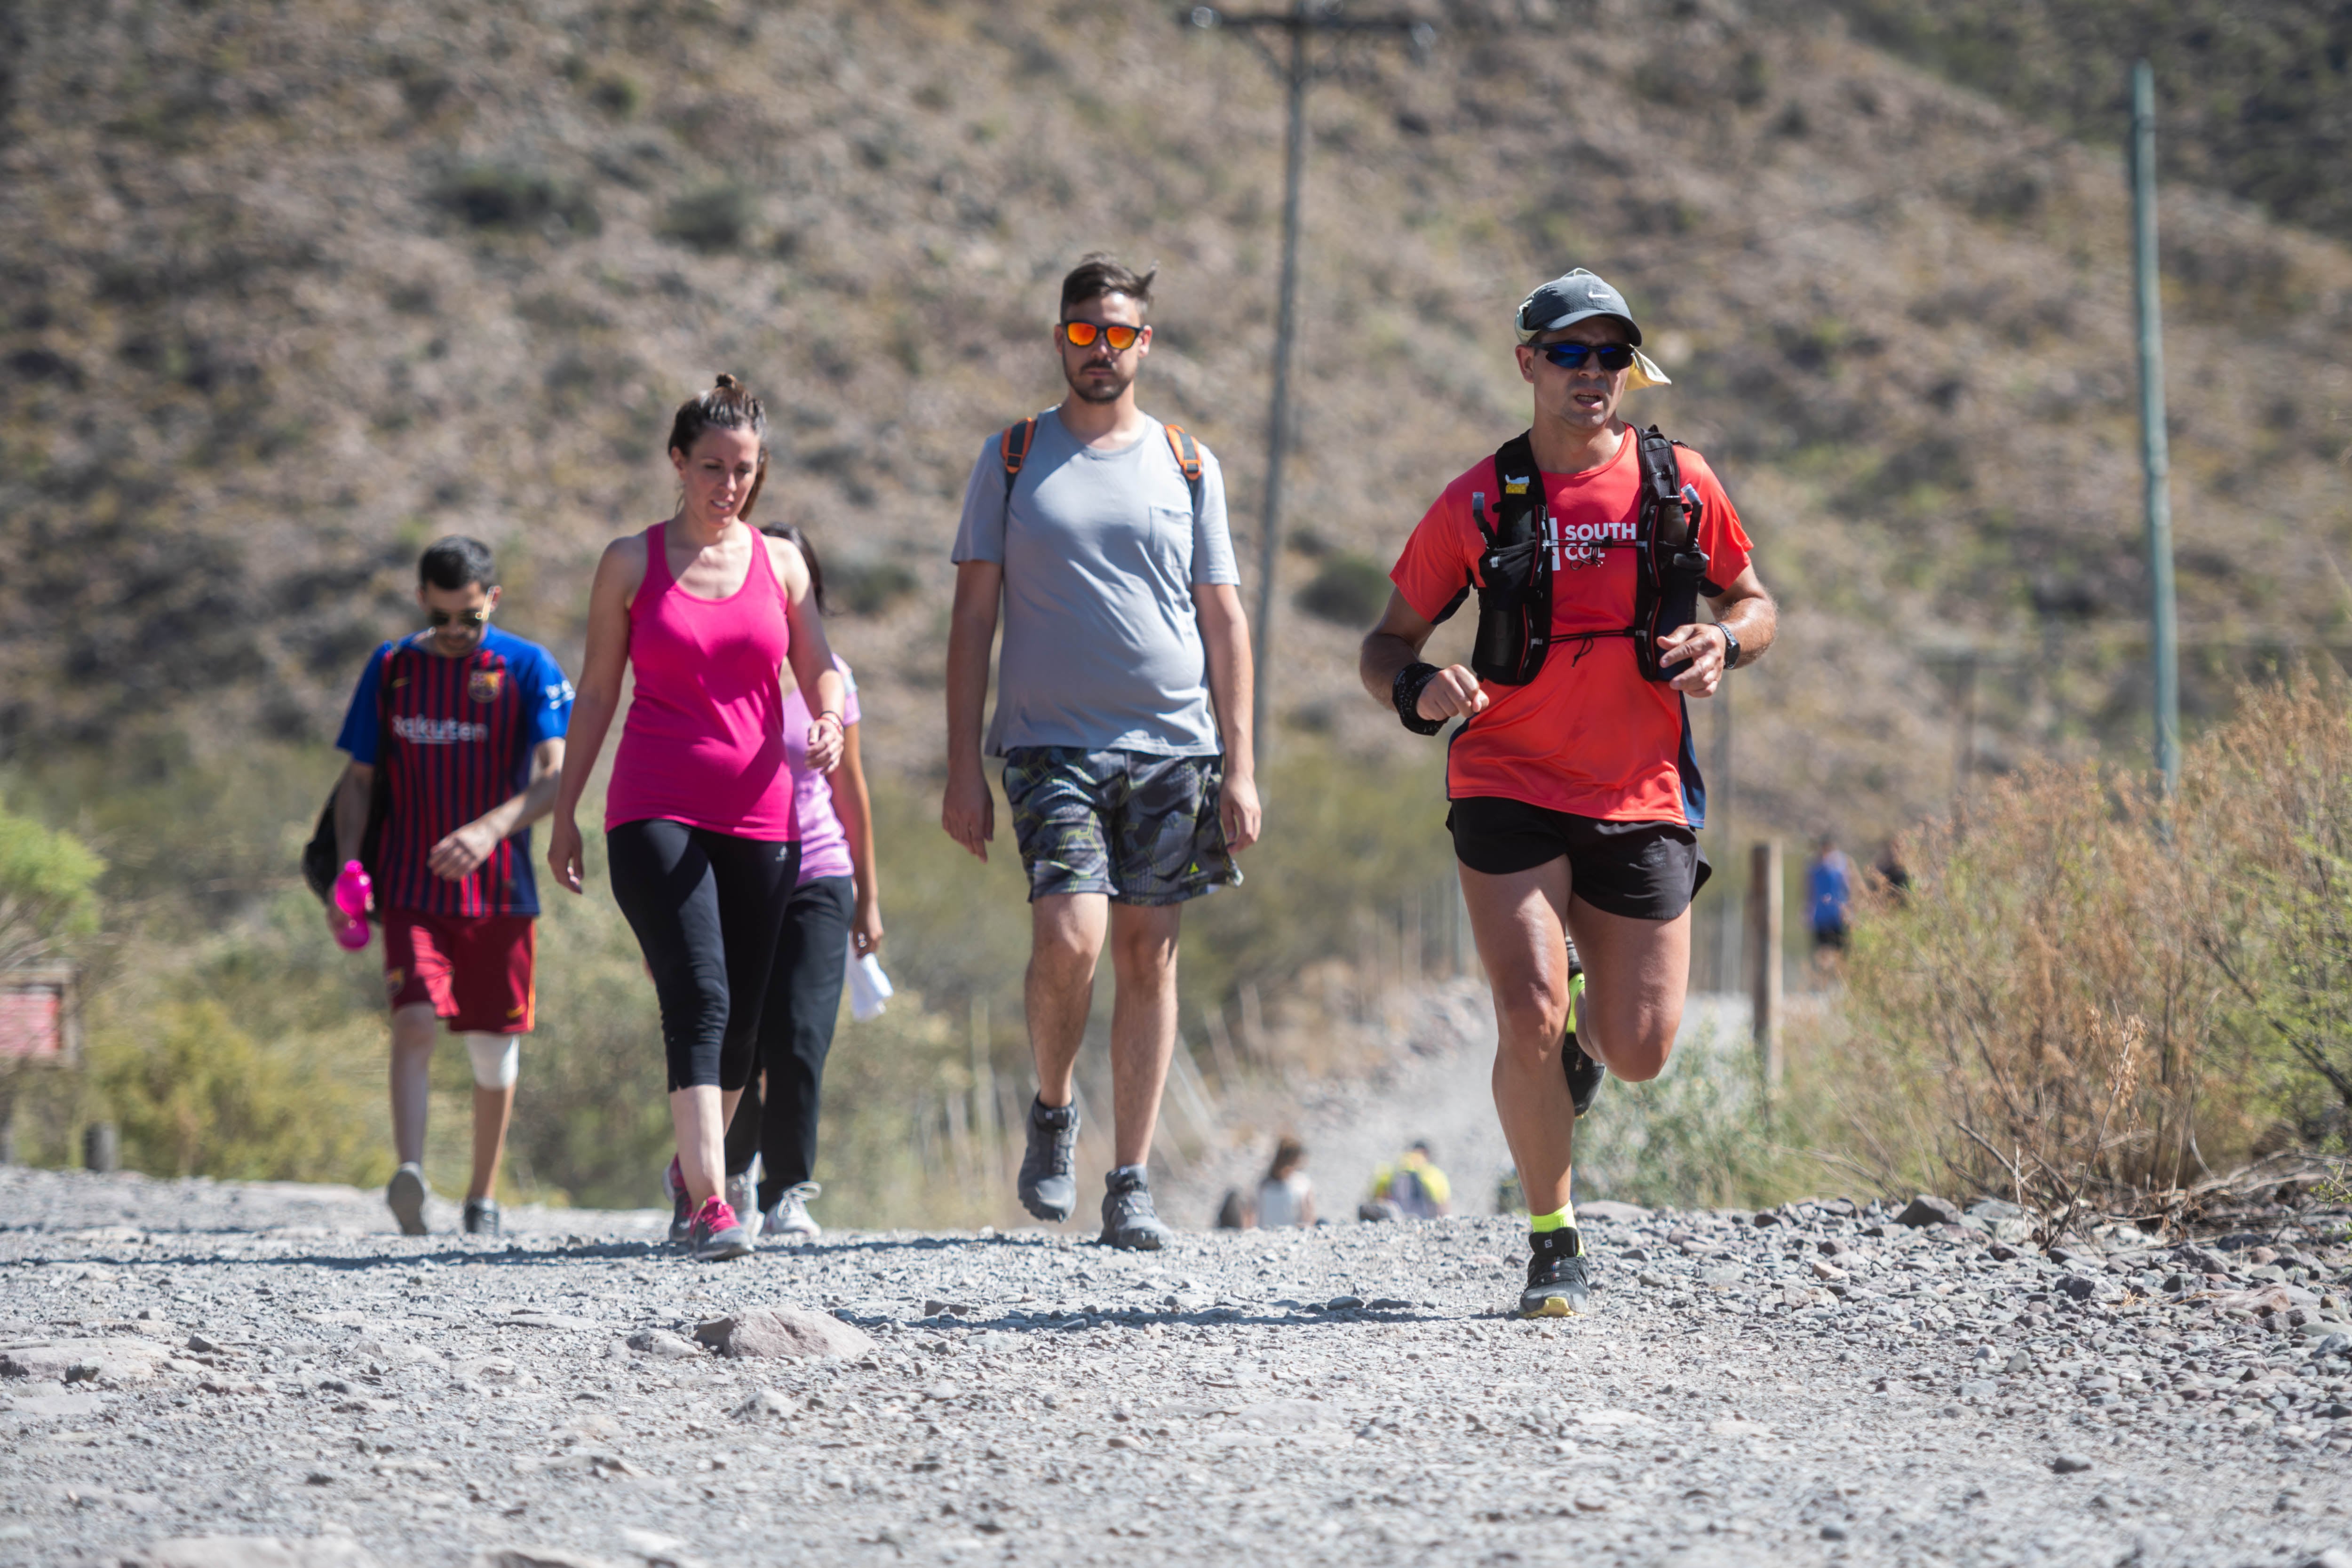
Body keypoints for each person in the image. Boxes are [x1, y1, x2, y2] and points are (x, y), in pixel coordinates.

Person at [1358, 268, 1778, 1315]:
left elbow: (1756, 602)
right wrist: (1418, 688)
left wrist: (1724, 639)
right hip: (1506, 777)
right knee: (1524, 1007)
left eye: (1609, 356)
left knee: (1639, 1049)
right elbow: (1384, 642)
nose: (1591, 374)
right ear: (1527, 364)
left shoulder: (1681, 483)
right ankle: (1554, 1239)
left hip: (1639, 789)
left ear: (1628, 372)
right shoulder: (1477, 501)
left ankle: (1587, 1036)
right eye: (1569, 353)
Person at [943, 255, 1262, 1250]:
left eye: (1117, 333)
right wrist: (961, 763)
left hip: (1173, 745)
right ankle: (1052, 1108)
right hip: (1048, 745)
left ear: (1144, 343)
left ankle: (1129, 1177)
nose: (1100, 349)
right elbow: (971, 620)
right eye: (1083, 331)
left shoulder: (1188, 463)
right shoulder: (1010, 457)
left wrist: (1242, 765)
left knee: (1147, 956)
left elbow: (1225, 620)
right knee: (1070, 937)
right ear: (1060, 338)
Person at [547, 375, 846, 1263]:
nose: (728, 485)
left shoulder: (781, 565)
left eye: (744, 470)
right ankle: (713, 1202)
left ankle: (691, 1168)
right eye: (711, 466)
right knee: (700, 995)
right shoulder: (630, 562)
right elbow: (597, 690)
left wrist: (826, 716)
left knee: (746, 1023)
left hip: (763, 815)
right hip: (653, 806)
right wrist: (566, 812)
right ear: (676, 464)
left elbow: (820, 664)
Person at [329, 536, 572, 1238]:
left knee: (493, 1049)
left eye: (468, 617)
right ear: (420, 602)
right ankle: (409, 1175)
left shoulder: (528, 667)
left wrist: (490, 829)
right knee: (412, 1020)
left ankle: (483, 1195)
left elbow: (555, 778)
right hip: (411, 885)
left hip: (501, 892)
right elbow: (358, 780)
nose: (455, 633)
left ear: (492, 599)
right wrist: (350, 866)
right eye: (440, 619)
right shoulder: (394, 667)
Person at [715, 525, 884, 1243]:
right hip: (737, 873)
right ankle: (723, 1176)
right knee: (737, 1040)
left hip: (819, 871)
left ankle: (789, 1191)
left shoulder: (830, 676)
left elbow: (852, 791)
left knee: (801, 1036)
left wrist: (869, 897)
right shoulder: (718, 667)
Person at [1363, 1140, 1451, 1222]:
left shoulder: (1393, 1168)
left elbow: (1375, 1197)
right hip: (1421, 1217)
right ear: (1426, 1154)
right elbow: (1442, 1204)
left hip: (1392, 1216)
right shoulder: (1433, 1173)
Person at [1254, 1136, 1316, 1228]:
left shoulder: (1263, 1185)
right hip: (1294, 1232)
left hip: (1264, 1231)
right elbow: (1308, 1218)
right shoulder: (1302, 1184)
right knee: (1323, 1222)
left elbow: (1251, 1215)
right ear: (1297, 1159)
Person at [1809, 832, 1853, 954]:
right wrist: (1808, 910)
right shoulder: (1814, 868)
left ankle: (1839, 972)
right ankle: (1823, 972)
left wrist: (1849, 909)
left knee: (1840, 950)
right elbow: (1809, 890)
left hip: (1837, 915)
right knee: (1822, 951)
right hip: (1821, 916)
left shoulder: (1840, 866)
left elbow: (1848, 889)